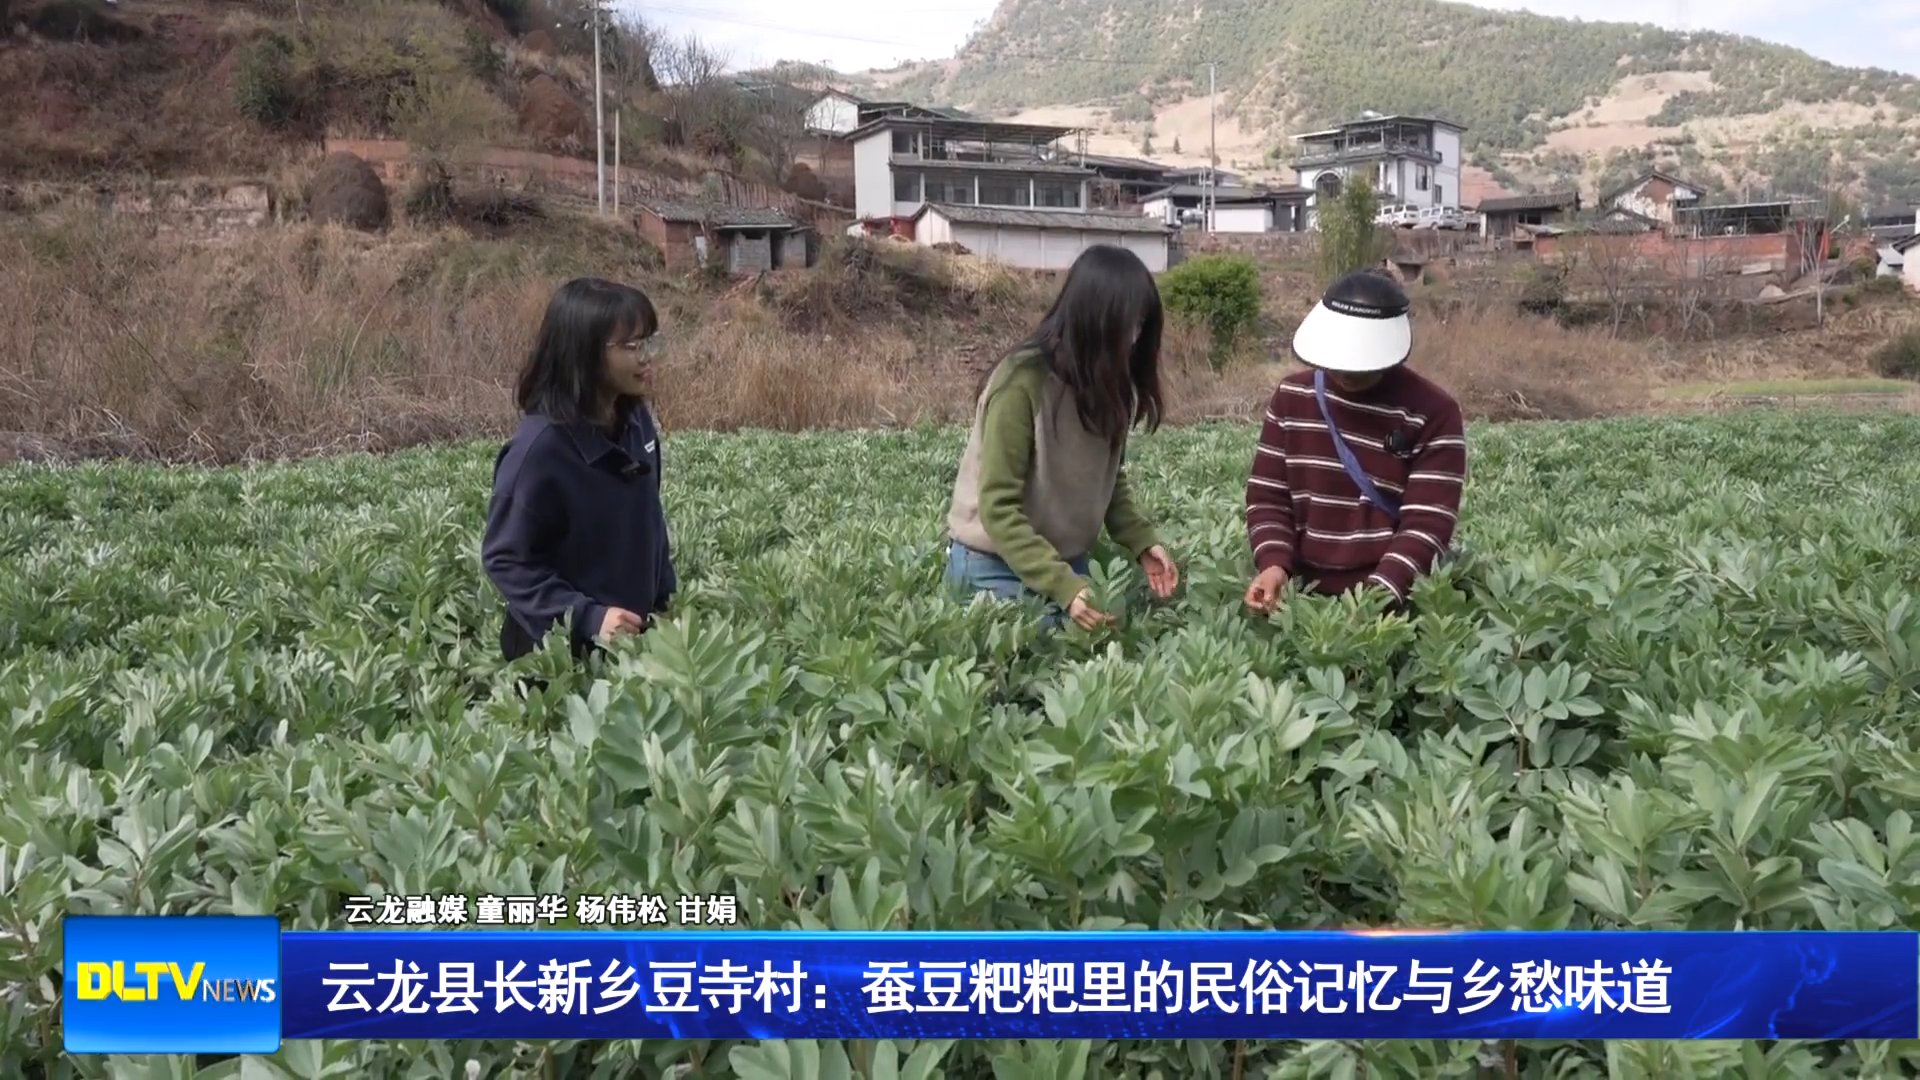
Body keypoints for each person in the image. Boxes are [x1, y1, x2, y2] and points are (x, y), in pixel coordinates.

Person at [945, 244, 1181, 630]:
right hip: (991, 564)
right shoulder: (1020, 384)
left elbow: (1107, 480)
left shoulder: (1107, 384)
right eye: (1128, 326)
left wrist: (1141, 542)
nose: (1135, 339)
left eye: (1141, 326)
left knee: (1111, 642)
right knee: (1051, 650)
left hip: (1064, 563)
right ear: (1093, 320)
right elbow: (998, 508)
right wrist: (1064, 587)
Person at [1244, 270, 1467, 615]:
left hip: (1391, 603)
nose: (1346, 371)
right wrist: (1274, 565)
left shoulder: (1433, 412)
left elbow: (1427, 522)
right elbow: (1268, 497)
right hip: (1299, 596)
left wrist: (1374, 602)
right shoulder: (1293, 397)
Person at [482, 277, 676, 662]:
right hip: (554, 657)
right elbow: (506, 559)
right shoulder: (539, 452)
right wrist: (588, 618)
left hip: (629, 641)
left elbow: (648, 520)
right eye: (633, 345)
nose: (648, 356)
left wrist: (664, 599)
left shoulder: (637, 421)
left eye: (651, 341)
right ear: (584, 354)